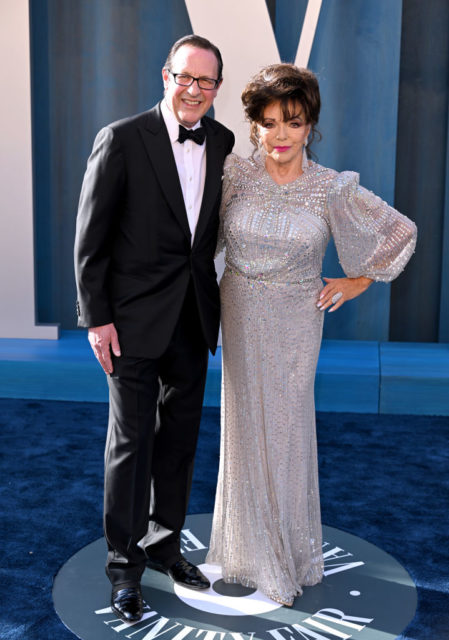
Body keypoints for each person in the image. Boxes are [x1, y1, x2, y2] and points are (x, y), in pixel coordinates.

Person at [206, 64, 417, 606]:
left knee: (286, 429)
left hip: (298, 316)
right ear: (253, 124)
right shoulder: (234, 175)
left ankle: (286, 555)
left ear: (310, 126)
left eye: (293, 123)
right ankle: (246, 551)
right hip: (240, 307)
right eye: (269, 122)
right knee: (244, 426)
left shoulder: (330, 188)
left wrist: (358, 279)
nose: (280, 135)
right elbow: (197, 238)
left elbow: (399, 231)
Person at [74, 35, 234, 623]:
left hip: (193, 319)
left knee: (178, 444)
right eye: (185, 78)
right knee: (130, 446)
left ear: (217, 88)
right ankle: (124, 567)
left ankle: (165, 547)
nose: (194, 90)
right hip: (131, 323)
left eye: (206, 82)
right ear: (164, 75)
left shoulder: (221, 141)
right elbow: (90, 239)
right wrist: (97, 320)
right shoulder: (120, 138)